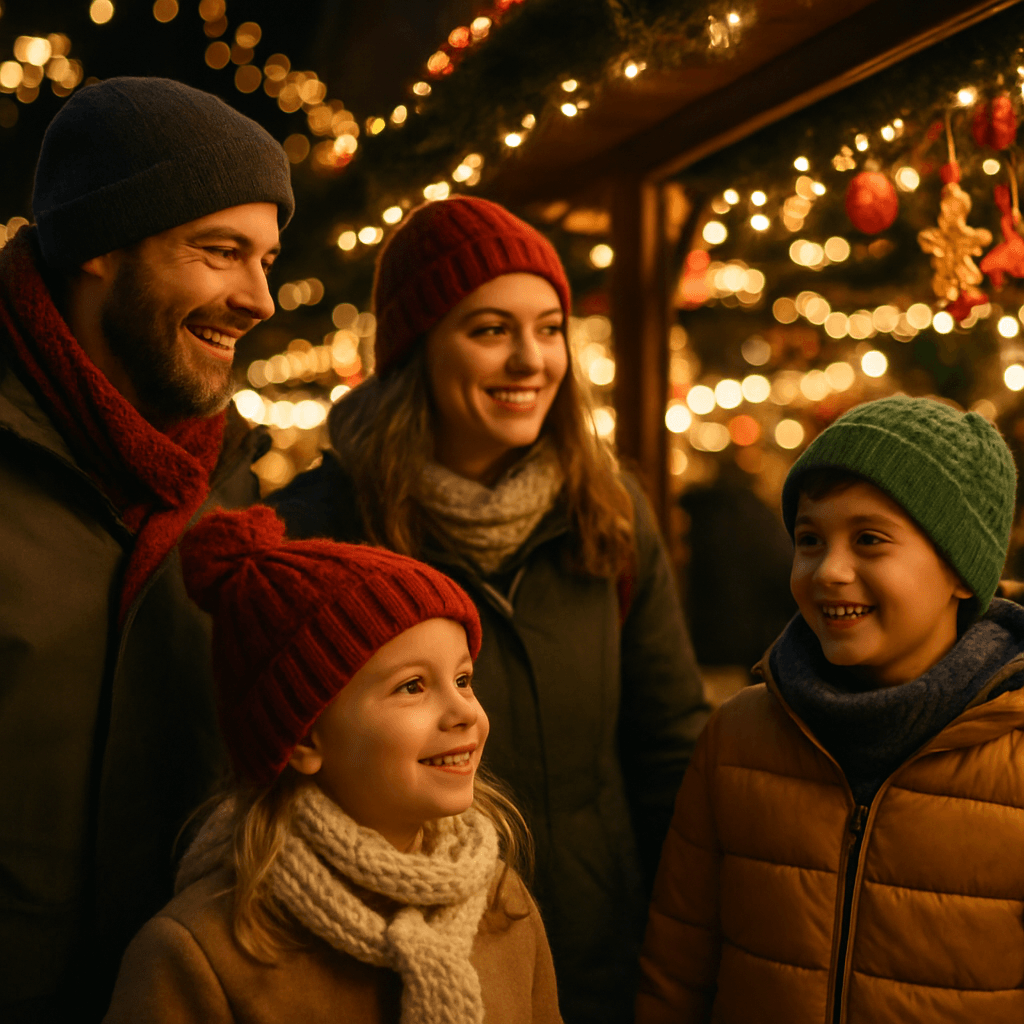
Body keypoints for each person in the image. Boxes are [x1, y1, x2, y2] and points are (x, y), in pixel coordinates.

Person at [270, 195, 709, 1023]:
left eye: (549, 329)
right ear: (416, 349)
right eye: (490, 329)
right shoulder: (322, 531)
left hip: (598, 957)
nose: (530, 361)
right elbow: (272, 782)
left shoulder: (608, 512)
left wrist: (685, 948)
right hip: (392, 963)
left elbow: (667, 746)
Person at [0, 77, 293, 1020]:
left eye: (267, 259)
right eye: (221, 252)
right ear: (98, 247)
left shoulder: (228, 488)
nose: (260, 298)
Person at [638, 396, 1024, 1024]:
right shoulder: (738, 739)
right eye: (810, 539)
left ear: (960, 569)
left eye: (869, 540)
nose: (829, 571)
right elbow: (677, 973)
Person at [102, 505, 563, 1024]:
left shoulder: (503, 903)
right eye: (413, 686)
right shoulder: (199, 953)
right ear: (302, 738)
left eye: (463, 679)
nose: (465, 713)